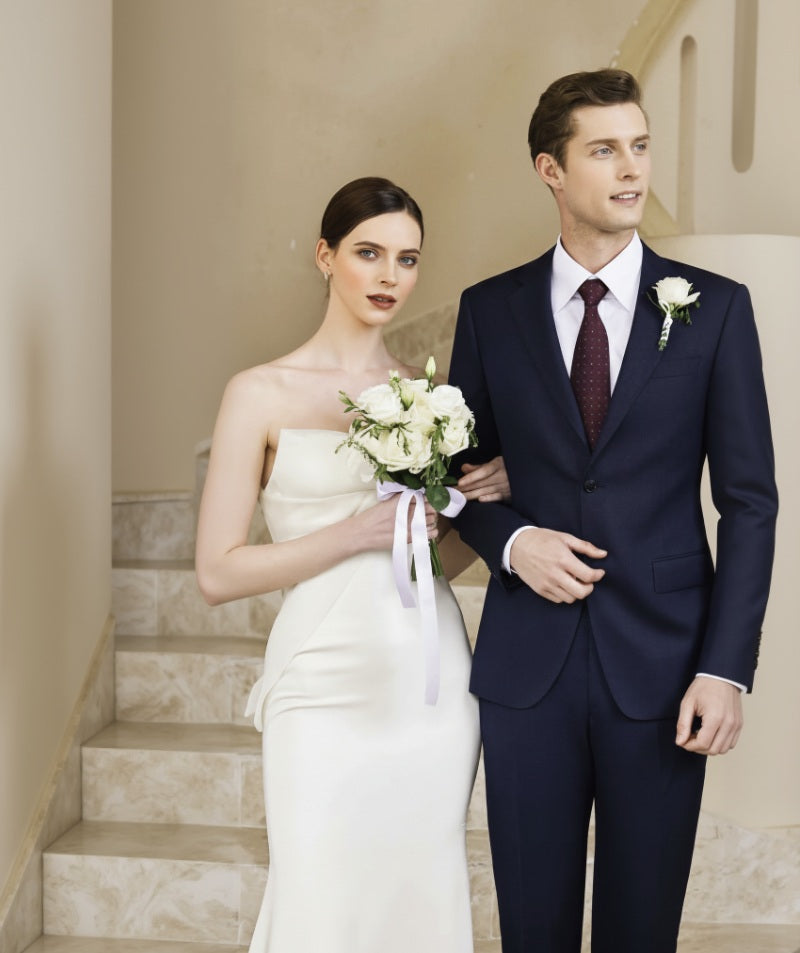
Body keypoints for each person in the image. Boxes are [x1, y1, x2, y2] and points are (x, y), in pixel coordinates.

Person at [448, 69, 778, 953]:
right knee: (533, 929)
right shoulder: (489, 311)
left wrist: (726, 667)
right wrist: (512, 542)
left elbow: (749, 502)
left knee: (642, 930)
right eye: (603, 150)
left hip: (667, 666)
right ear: (549, 170)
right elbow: (452, 473)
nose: (631, 169)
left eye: (638, 146)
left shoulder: (714, 309)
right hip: (528, 672)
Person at [195, 177, 509, 952]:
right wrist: (354, 532)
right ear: (325, 256)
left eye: (406, 260)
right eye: (369, 253)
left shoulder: (430, 397)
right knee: (318, 895)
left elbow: (432, 561)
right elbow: (218, 572)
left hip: (427, 683)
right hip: (321, 679)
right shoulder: (257, 392)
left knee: (420, 890)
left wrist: (480, 502)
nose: (388, 277)